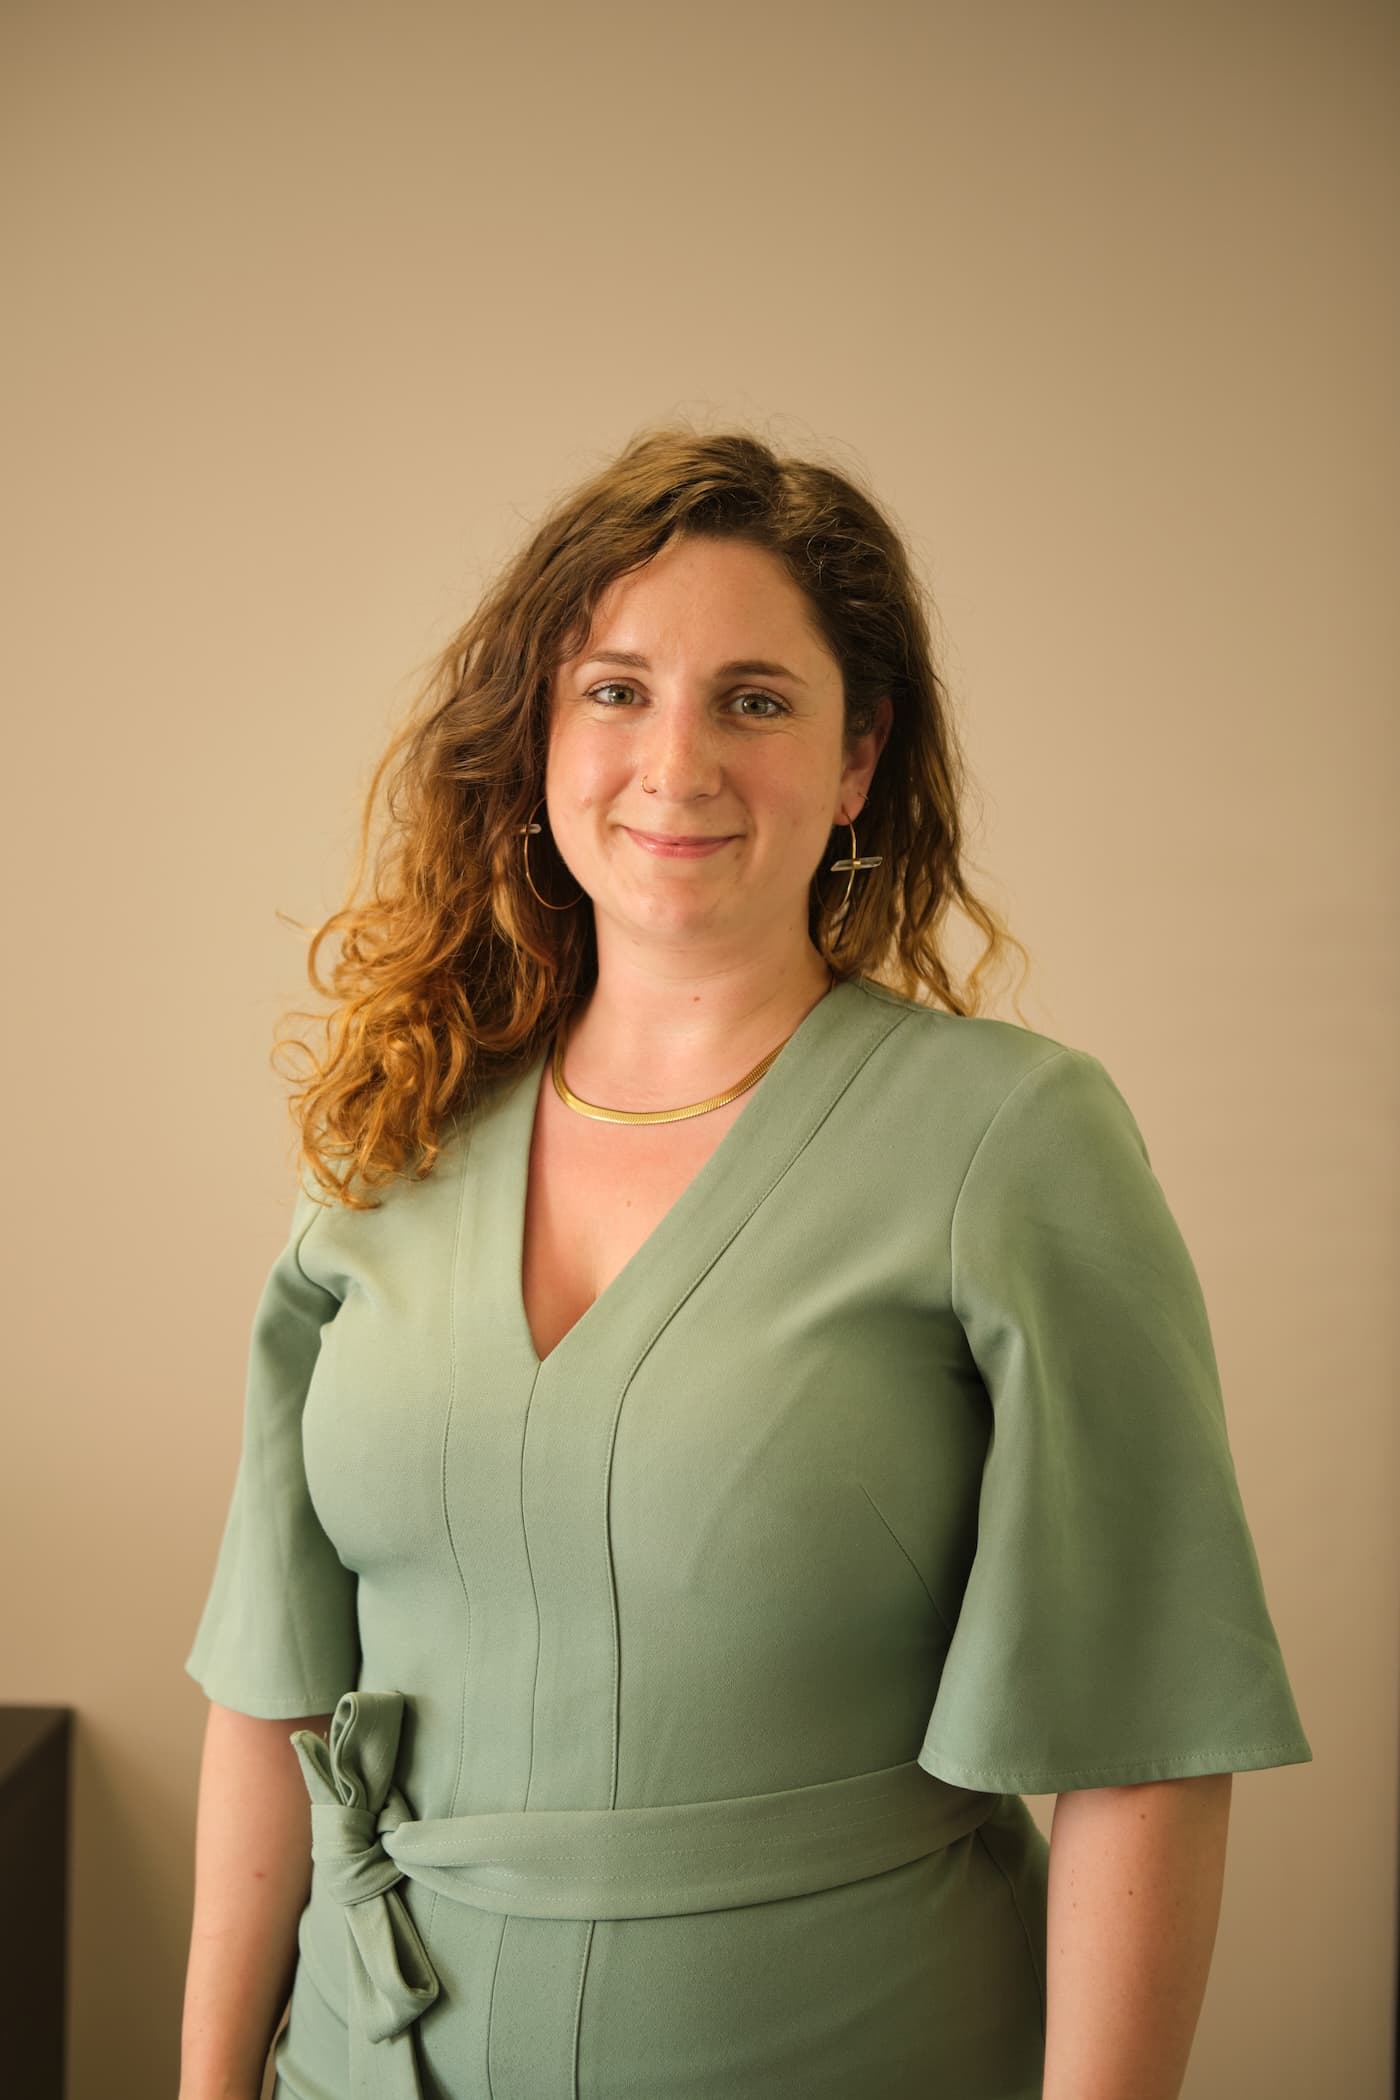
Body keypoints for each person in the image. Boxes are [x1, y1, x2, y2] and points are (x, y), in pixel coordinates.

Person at [178, 426, 1313, 2100]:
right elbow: (275, 1700)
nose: (678, 761)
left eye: (757, 699)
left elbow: (1143, 1752)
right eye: (617, 690)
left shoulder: (1009, 1141)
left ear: (858, 762)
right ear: (538, 740)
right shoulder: (386, 1142)